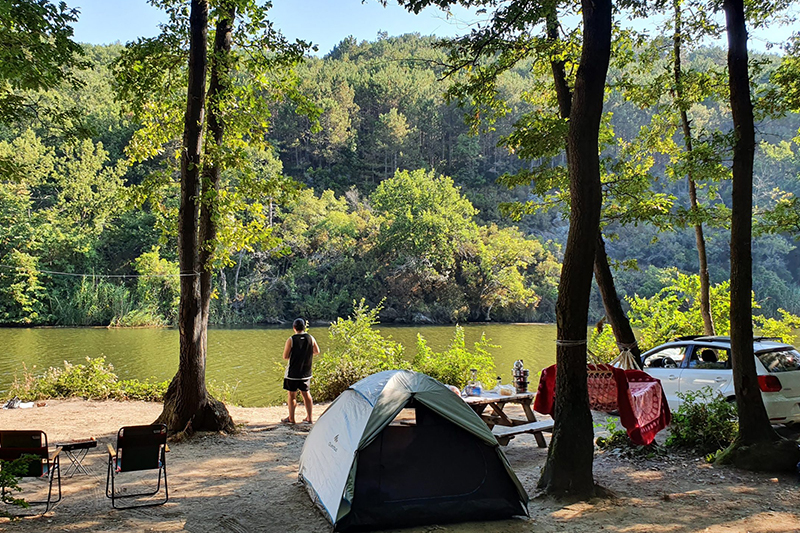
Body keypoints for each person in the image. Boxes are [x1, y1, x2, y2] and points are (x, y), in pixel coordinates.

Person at [282, 318, 320, 424]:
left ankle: (292, 419)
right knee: (306, 394)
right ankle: (309, 418)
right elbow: (317, 351)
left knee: (292, 395)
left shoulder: (291, 339)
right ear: (304, 327)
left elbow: (285, 356)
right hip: (306, 373)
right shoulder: (310, 338)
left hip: (292, 373)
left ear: (294, 328)